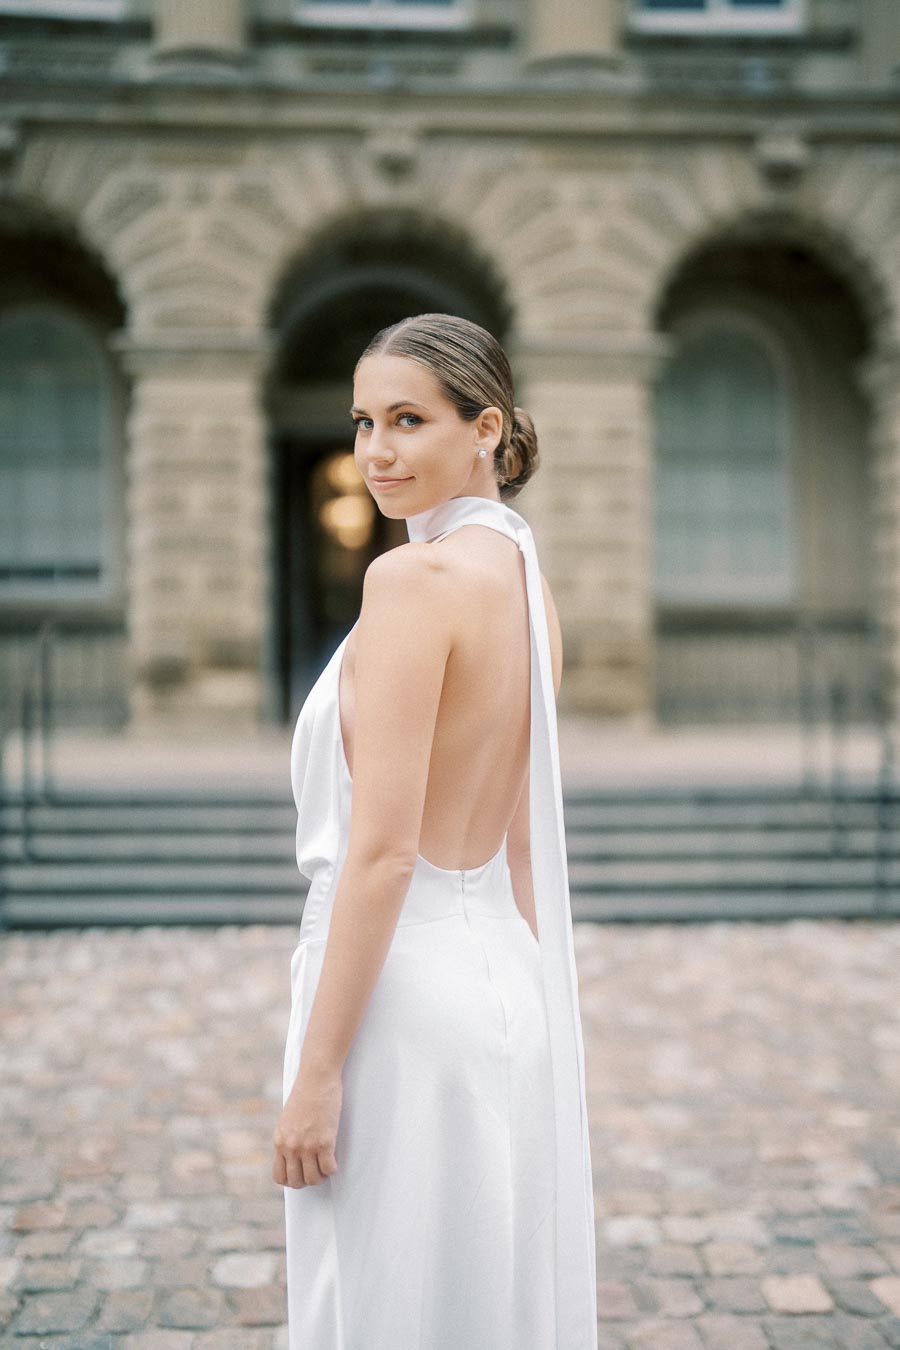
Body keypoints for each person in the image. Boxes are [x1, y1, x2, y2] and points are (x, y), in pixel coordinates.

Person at [273, 312, 597, 1349]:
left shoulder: (410, 581)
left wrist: (316, 1074)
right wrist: (543, 1003)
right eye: (364, 421)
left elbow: (382, 852)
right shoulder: (527, 588)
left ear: (485, 429)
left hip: (400, 1003)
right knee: (478, 1299)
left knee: (380, 1304)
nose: (375, 450)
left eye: (408, 420)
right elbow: (516, 844)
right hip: (501, 982)